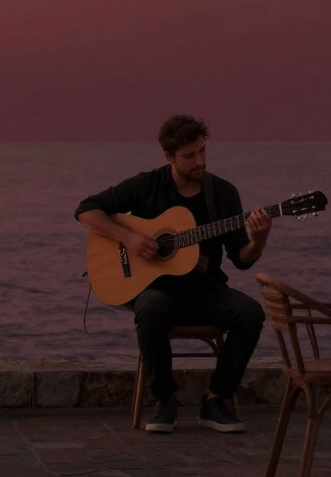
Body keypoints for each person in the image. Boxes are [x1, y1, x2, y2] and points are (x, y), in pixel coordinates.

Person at [74, 114, 269, 433]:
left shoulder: (222, 193)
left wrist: (259, 238)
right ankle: (165, 401)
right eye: (189, 156)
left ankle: (216, 400)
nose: (199, 161)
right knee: (149, 309)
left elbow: (243, 259)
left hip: (205, 289)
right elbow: (86, 210)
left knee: (250, 313)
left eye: (203, 151)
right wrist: (130, 237)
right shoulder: (147, 185)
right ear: (169, 156)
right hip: (157, 290)